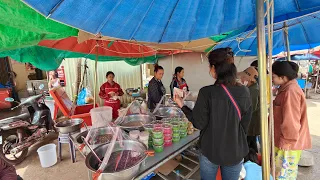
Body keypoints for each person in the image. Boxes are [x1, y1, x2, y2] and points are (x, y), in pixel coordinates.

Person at [174, 48, 252, 180]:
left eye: (210, 66)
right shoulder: (244, 91)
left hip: (210, 150)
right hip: (234, 151)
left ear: (215, 68)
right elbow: (245, 124)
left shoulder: (206, 93)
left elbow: (199, 123)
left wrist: (181, 105)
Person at [272, 61, 311, 179]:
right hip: (284, 140)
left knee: (283, 176)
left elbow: (291, 120)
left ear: (283, 77)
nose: (271, 79)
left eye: (273, 76)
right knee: (278, 174)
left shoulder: (291, 91)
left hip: (288, 143)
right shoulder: (285, 88)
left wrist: (287, 141)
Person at [238, 67, 260, 153]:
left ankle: (250, 161)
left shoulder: (253, 90)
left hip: (251, 123)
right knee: (252, 143)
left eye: (243, 78)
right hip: (252, 122)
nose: (242, 80)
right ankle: (253, 160)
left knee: (248, 144)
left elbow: (251, 108)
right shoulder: (252, 88)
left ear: (250, 79)